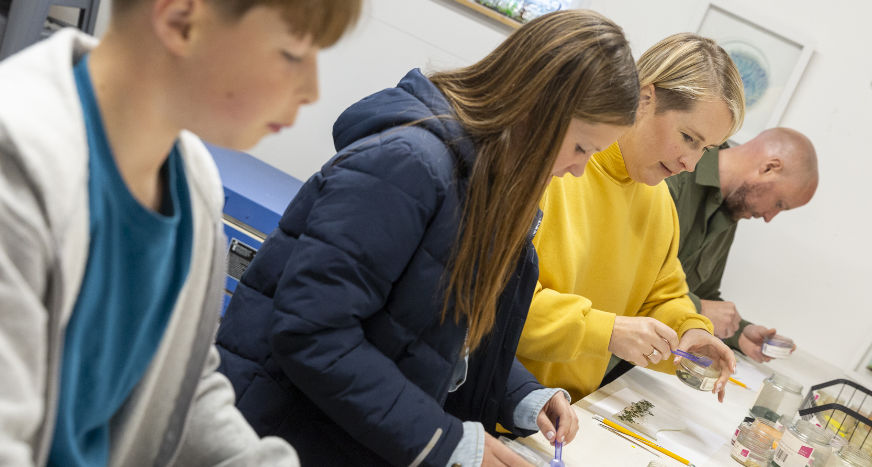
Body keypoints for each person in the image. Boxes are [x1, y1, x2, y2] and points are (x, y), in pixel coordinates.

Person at [214, 9, 639, 467]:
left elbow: (435, 333)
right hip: (276, 437)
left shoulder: (487, 184)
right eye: (581, 147)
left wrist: (521, 395)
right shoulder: (408, 165)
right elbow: (313, 332)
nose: (578, 169)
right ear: (536, 108)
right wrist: (446, 439)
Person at [0, 0, 361, 465]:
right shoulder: (18, 169)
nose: (311, 90)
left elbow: (177, 390)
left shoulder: (193, 184)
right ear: (180, 21)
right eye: (292, 55)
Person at [516, 33, 746, 404]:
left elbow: (662, 295)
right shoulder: (555, 168)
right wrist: (607, 331)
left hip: (569, 415)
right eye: (688, 137)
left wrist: (690, 332)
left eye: (706, 149)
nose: (691, 164)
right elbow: (497, 303)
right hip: (497, 403)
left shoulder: (658, 200)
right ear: (644, 99)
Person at [667, 128, 818, 362]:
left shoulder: (732, 209)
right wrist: (698, 309)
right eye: (779, 203)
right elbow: (626, 275)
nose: (769, 217)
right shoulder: (675, 173)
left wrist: (738, 334)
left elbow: (704, 293)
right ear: (769, 167)